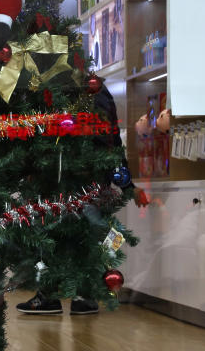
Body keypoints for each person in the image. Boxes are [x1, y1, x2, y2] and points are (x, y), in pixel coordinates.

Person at [16, 83, 149, 316]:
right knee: (63, 237)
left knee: (82, 236)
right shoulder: (80, 87)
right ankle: (68, 296)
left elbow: (110, 139)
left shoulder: (91, 89)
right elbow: (112, 140)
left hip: (81, 178)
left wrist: (127, 184)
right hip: (64, 178)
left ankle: (73, 296)